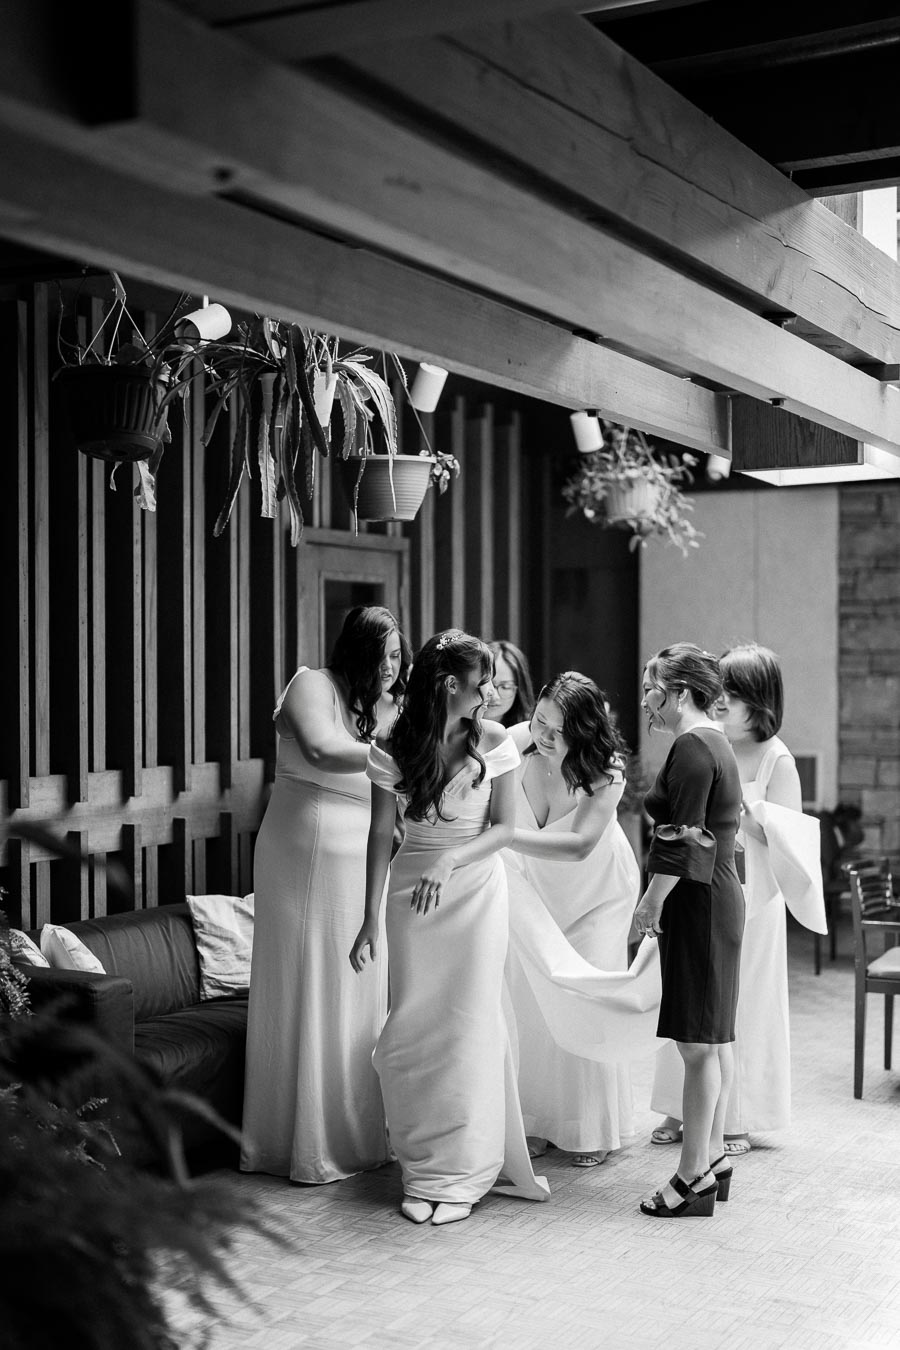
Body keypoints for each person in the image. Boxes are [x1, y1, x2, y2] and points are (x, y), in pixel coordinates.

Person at [350, 629, 549, 1226]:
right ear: (448, 687)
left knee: (465, 1025)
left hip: (474, 890)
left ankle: (463, 1173)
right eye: (480, 680)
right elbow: (380, 834)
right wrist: (367, 918)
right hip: (410, 898)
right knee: (412, 1029)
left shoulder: (493, 741)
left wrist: (448, 858)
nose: (490, 691)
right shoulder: (390, 744)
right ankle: (422, 1170)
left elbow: (506, 829)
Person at [241, 606, 410, 1184]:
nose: (393, 665)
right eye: (385, 653)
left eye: (398, 654)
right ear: (359, 651)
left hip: (362, 868)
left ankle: (357, 1136)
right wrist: (405, 756)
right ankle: (297, 1144)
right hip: (301, 857)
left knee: (357, 992)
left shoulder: (386, 709)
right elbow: (318, 750)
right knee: (305, 983)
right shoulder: (310, 684)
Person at [650, 643, 825, 1155]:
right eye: (719, 689)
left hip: (753, 894)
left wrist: (742, 812)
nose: (722, 700)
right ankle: (680, 1108)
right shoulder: (704, 741)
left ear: (761, 701)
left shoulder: (777, 759)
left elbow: (789, 842)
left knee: (739, 1008)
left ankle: (736, 1117)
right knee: (691, 1001)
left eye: (736, 693)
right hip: (701, 884)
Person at [504, 673, 641, 1168]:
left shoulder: (606, 771)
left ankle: (593, 1129)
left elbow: (581, 842)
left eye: (556, 731)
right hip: (540, 890)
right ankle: (541, 1121)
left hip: (598, 894)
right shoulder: (519, 743)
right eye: (539, 720)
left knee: (585, 1000)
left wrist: (503, 838)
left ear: (582, 734)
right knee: (535, 1000)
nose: (543, 736)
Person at [634, 643, 744, 1217]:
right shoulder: (715, 742)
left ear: (679, 692)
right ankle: (715, 1157)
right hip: (716, 898)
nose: (647, 700)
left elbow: (682, 838)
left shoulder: (693, 747)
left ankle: (691, 1177)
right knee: (711, 1039)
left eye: (653, 688)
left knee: (696, 1046)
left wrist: (649, 903)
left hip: (699, 904)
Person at [486, 640, 535, 728]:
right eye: (487, 684)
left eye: (505, 687)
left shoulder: (529, 732)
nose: (494, 696)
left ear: (519, 690)